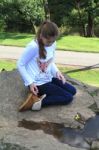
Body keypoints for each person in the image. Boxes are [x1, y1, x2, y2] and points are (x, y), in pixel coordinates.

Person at [17, 20, 76, 111]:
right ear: (41, 36)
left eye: (53, 41)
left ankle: (42, 95)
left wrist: (57, 72)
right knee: (68, 97)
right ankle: (35, 102)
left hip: (48, 78)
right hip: (38, 83)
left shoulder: (53, 44)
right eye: (49, 42)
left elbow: (50, 62)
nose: (51, 44)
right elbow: (20, 64)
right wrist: (30, 83)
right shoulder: (33, 46)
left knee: (73, 91)